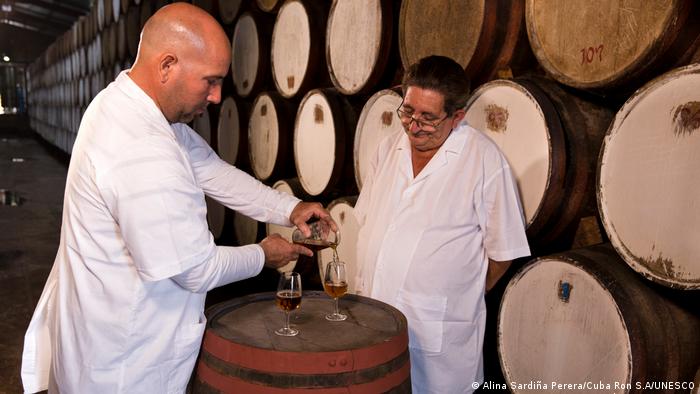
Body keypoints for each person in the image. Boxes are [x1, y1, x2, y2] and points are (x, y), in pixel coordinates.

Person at [21, 3, 334, 393]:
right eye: (210, 81)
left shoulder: (127, 105)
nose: (218, 96)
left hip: (109, 334)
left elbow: (211, 169)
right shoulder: (141, 147)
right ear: (167, 65)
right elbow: (196, 270)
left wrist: (290, 208)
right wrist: (264, 255)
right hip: (126, 363)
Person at [353, 55, 530, 393]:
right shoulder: (387, 149)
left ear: (457, 117)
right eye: (407, 111)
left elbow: (503, 251)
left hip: (437, 341)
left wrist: (456, 286)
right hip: (373, 326)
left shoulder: (484, 160)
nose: (413, 124)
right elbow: (368, 223)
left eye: (428, 117)